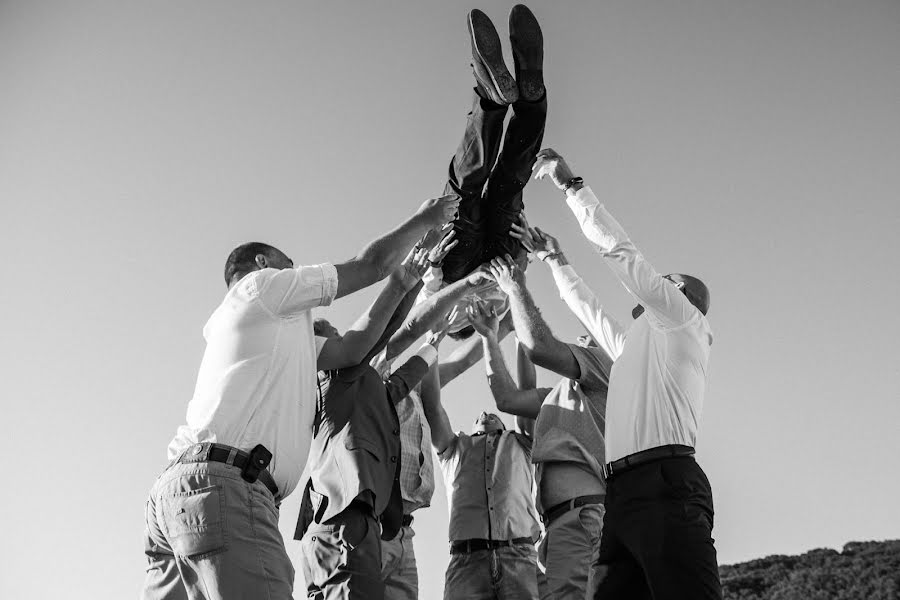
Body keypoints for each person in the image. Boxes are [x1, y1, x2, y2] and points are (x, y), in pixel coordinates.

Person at [141, 194, 459, 600]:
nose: (296, 272)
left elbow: (356, 348)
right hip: (226, 489)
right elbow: (371, 265)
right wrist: (426, 219)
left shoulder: (277, 334)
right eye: (289, 263)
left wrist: (406, 280)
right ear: (261, 263)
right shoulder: (263, 287)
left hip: (177, 496)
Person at [533, 148, 721, 599]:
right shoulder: (637, 346)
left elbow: (623, 256)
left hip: (666, 485)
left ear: (678, 295)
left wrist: (571, 187)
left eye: (665, 281)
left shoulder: (683, 321)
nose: (655, 285)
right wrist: (554, 259)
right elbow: (591, 314)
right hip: (619, 494)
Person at [295, 247, 452, 600]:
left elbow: (398, 384)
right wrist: (440, 282)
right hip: (343, 517)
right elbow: (399, 329)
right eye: (338, 336)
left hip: (376, 520)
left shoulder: (358, 386)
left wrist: (434, 344)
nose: (348, 340)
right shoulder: (331, 378)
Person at [472, 249, 612, 600]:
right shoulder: (560, 394)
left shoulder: (609, 373)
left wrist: (517, 290)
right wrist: (491, 339)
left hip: (585, 517)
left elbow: (539, 348)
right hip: (561, 525)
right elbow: (509, 398)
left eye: (589, 338)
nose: (582, 339)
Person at [422, 4, 546, 340]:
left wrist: (524, 243)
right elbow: (426, 304)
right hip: (456, 266)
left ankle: (531, 104)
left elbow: (518, 274)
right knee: (463, 191)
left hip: (499, 261)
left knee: (511, 180)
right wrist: (432, 266)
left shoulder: (497, 310)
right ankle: (492, 100)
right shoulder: (444, 325)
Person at [420, 324, 541, 600]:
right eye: (478, 417)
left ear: (503, 422)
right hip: (466, 562)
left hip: (519, 556)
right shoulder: (453, 450)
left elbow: (527, 390)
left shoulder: (521, 442)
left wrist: (521, 328)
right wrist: (432, 344)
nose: (485, 412)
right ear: (471, 429)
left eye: (492, 414)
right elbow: (432, 406)